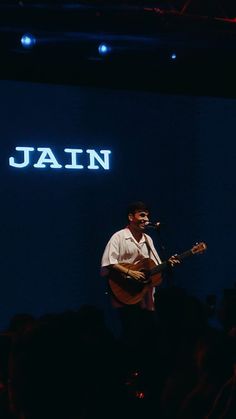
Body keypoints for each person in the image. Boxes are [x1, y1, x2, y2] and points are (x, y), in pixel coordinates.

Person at [101, 201, 178, 348]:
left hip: (144, 296)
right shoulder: (119, 237)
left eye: (147, 216)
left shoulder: (148, 239)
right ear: (131, 217)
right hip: (124, 292)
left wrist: (168, 263)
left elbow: (155, 265)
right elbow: (109, 262)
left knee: (148, 334)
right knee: (130, 332)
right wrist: (130, 272)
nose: (146, 219)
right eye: (142, 215)